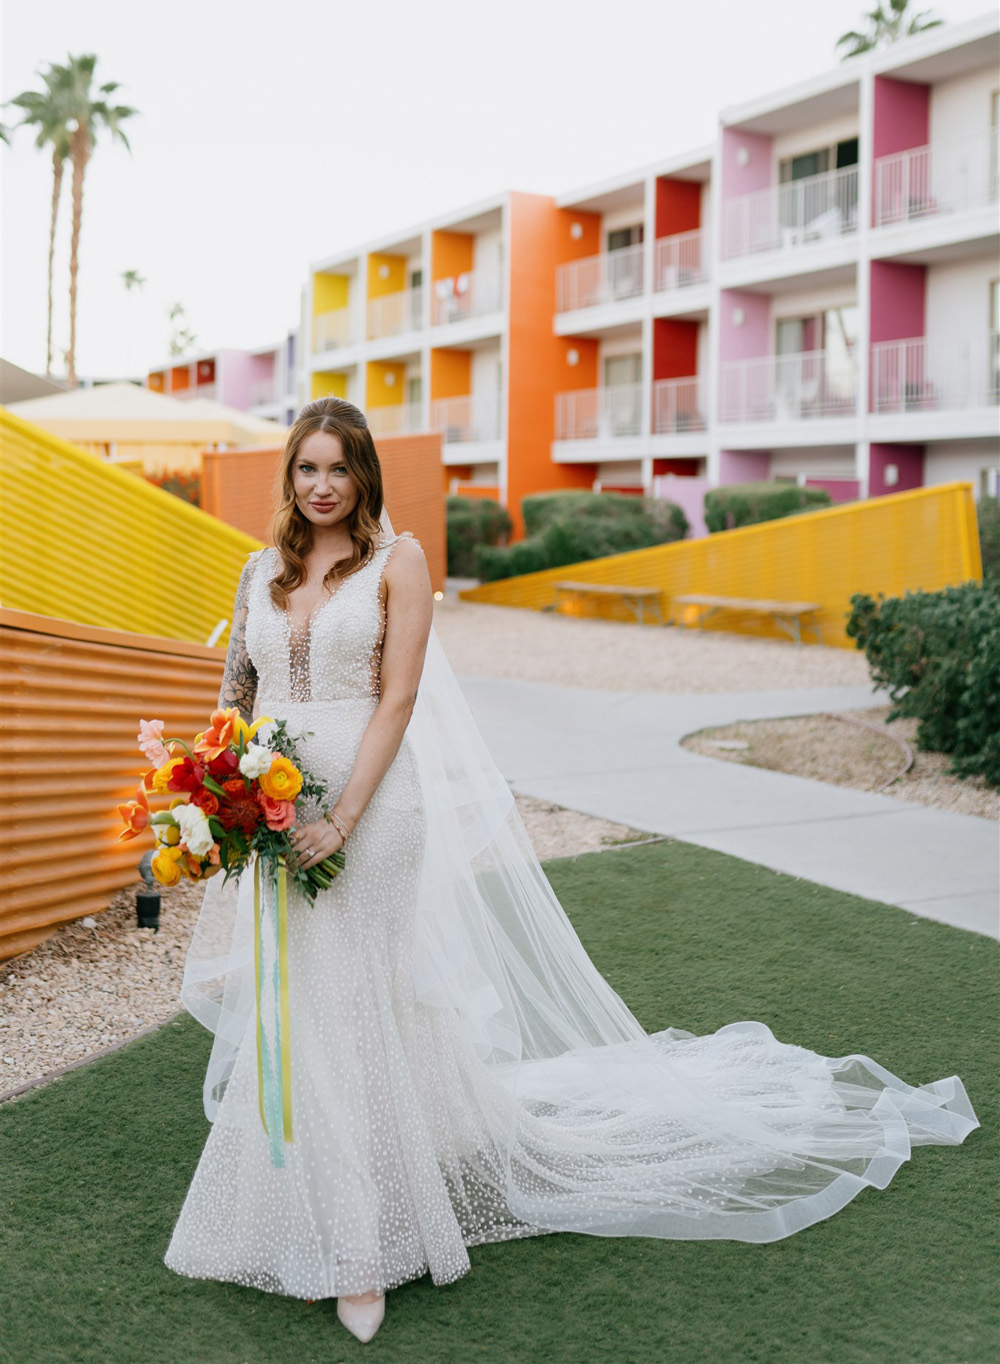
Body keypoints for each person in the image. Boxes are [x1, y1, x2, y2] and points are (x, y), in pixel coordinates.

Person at [164, 397, 979, 1345]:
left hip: (371, 812)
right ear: (289, 477)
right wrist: (218, 795)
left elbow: (399, 700)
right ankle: (309, 1206)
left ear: (364, 476)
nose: (321, 485)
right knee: (307, 1006)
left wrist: (343, 818)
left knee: (349, 1004)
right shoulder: (256, 572)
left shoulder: (400, 562)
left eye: (338, 468)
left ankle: (361, 1248)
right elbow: (235, 699)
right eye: (306, 468)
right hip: (276, 814)